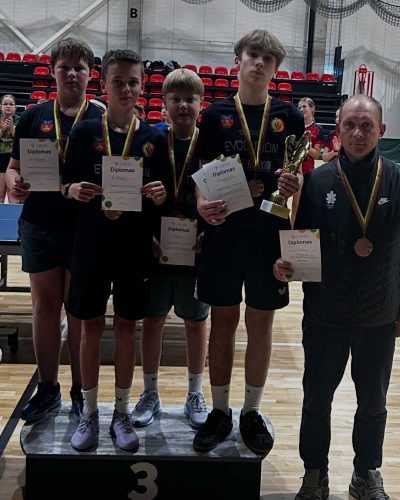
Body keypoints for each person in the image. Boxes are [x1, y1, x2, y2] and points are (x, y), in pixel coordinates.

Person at [274, 95, 397, 499]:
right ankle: (315, 474)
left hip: (379, 314)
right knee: (316, 400)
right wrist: (286, 265)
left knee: (374, 403)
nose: (358, 133)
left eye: (367, 126)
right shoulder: (318, 181)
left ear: (381, 131)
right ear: (338, 131)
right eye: (350, 125)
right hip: (325, 312)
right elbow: (302, 243)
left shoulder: (397, 180)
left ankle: (366, 474)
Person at [192, 29, 304, 455]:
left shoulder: (290, 117)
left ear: (275, 69)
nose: (259, 62)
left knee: (261, 324)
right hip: (224, 234)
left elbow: (297, 176)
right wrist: (202, 206)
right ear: (237, 60)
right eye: (253, 54)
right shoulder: (214, 115)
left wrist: (294, 186)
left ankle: (251, 412)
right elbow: (202, 175)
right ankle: (220, 411)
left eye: (267, 58)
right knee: (222, 322)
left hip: (268, 237)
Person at [62, 49, 168, 451]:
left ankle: (121, 414)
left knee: (126, 328)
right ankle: (89, 413)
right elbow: (64, 184)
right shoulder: (84, 133)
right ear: (103, 84)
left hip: (134, 249)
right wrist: (71, 188)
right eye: (118, 81)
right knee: (90, 328)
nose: (126, 88)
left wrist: (160, 196)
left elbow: (162, 198)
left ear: (143, 86)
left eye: (133, 82)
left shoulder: (154, 138)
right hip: (91, 245)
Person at [6, 37, 103, 423]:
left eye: (80, 67)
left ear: (91, 74)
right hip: (41, 223)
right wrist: (14, 183)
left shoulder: (101, 118)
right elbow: (14, 168)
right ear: (53, 71)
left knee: (78, 310)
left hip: (85, 228)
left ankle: (81, 390)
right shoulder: (33, 116)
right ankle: (48, 388)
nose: (72, 73)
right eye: (65, 66)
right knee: (44, 308)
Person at [131, 68, 210, 429]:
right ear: (163, 104)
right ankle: (150, 391)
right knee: (153, 320)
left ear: (200, 104)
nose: (183, 105)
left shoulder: (211, 145)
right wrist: (145, 233)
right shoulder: (149, 142)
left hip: (196, 247)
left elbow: (223, 197)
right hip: (157, 247)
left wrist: (209, 233)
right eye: (175, 99)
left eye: (189, 99)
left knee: (195, 321)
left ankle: (195, 392)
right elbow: (134, 192)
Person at [290, 97, 324, 227]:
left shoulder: (318, 129)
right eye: (299, 107)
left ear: (312, 109)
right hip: (291, 169)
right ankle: (288, 230)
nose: (301, 109)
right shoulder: (294, 126)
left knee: (300, 204)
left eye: (304, 106)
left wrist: (304, 144)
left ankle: (298, 231)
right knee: (286, 203)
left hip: (307, 171)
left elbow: (316, 154)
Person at [0, 94, 20, 203]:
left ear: (15, 107)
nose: (8, 106)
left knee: (12, 192)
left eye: (11, 104)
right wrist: (2, 129)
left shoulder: (21, 120)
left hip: (14, 158)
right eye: (5, 104)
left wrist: (12, 127)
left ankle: (14, 213)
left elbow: (20, 140)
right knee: (0, 192)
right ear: (0, 106)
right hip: (1, 156)